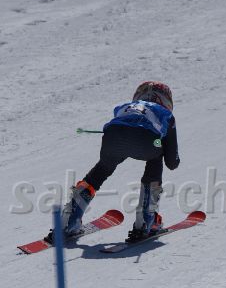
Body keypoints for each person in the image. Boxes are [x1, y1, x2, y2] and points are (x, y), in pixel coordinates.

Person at [53, 81, 179, 243]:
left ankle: (68, 221)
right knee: (156, 156)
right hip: (147, 141)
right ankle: (146, 222)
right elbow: (172, 162)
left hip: (112, 136)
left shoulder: (124, 106)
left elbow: (127, 133)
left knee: (102, 169)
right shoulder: (166, 114)